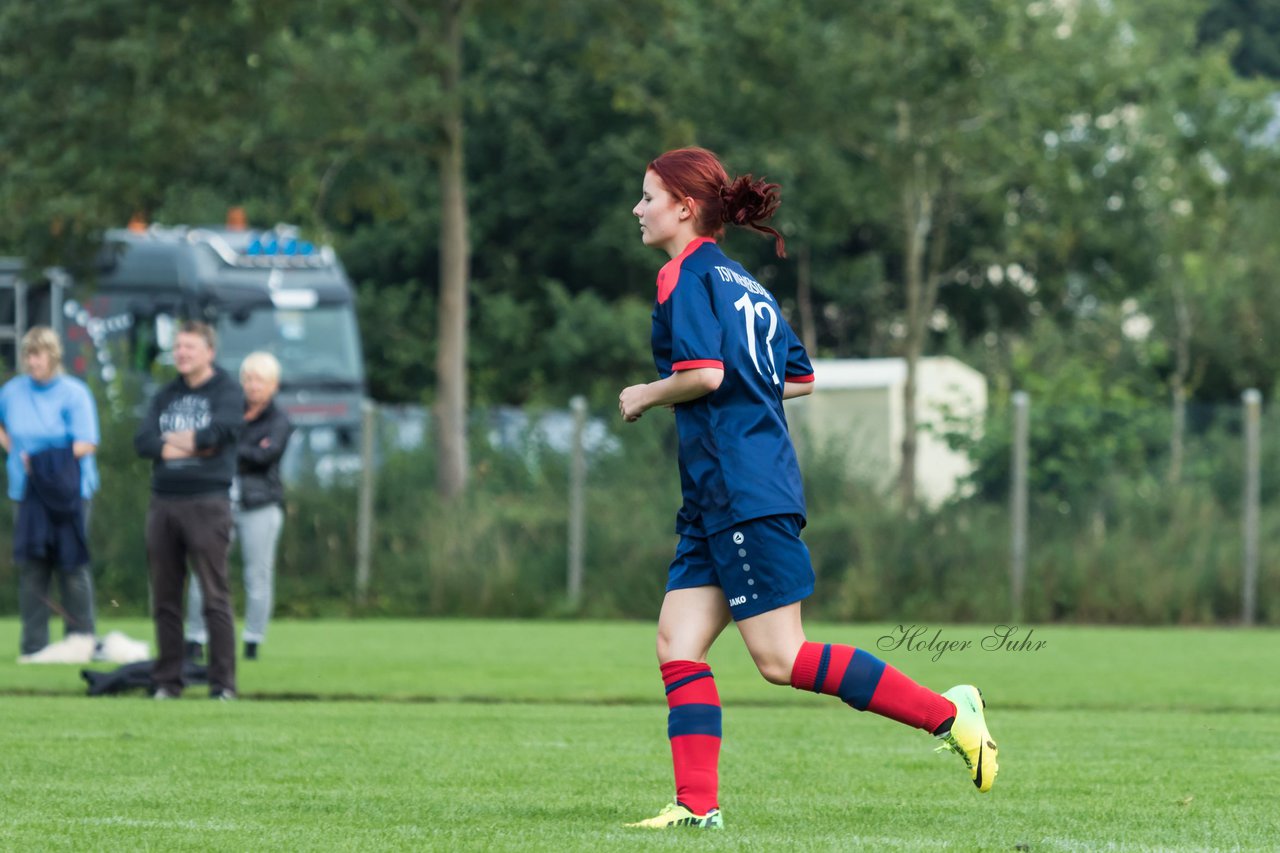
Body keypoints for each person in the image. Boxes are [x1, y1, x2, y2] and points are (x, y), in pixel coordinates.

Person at [618, 147, 999, 830]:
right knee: (678, 642)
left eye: (648, 197)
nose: (638, 210)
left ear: (684, 206)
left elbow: (703, 374)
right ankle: (696, 806)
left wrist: (646, 393)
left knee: (781, 657)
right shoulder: (745, 284)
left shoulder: (684, 275)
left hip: (741, 489)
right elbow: (799, 376)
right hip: (720, 494)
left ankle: (950, 713)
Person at [134, 320, 244, 699]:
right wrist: (192, 444)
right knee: (165, 596)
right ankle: (167, 681)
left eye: (189, 347)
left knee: (215, 595)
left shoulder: (227, 390)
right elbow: (144, 441)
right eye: (178, 347)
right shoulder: (165, 394)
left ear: (209, 352)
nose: (181, 353)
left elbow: (220, 434)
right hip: (164, 501)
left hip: (208, 501)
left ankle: (222, 684)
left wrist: (179, 441)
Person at [184, 351, 292, 662]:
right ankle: (195, 637)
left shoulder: (280, 420)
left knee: (257, 575)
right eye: (248, 379)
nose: (253, 386)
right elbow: (207, 443)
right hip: (219, 503)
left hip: (260, 506)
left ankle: (252, 641)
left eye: (260, 380)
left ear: (273, 385)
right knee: (205, 570)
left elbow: (264, 456)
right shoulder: (228, 411)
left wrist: (230, 448)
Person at [0, 327, 100, 656]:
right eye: (27, 354)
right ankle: (34, 647)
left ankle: (81, 641)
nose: (31, 361)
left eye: (37, 354)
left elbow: (86, 443)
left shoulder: (74, 393)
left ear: (53, 356)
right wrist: (12, 449)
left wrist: (42, 461)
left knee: (72, 567)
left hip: (68, 494)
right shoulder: (13, 392)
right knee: (33, 567)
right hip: (25, 493)